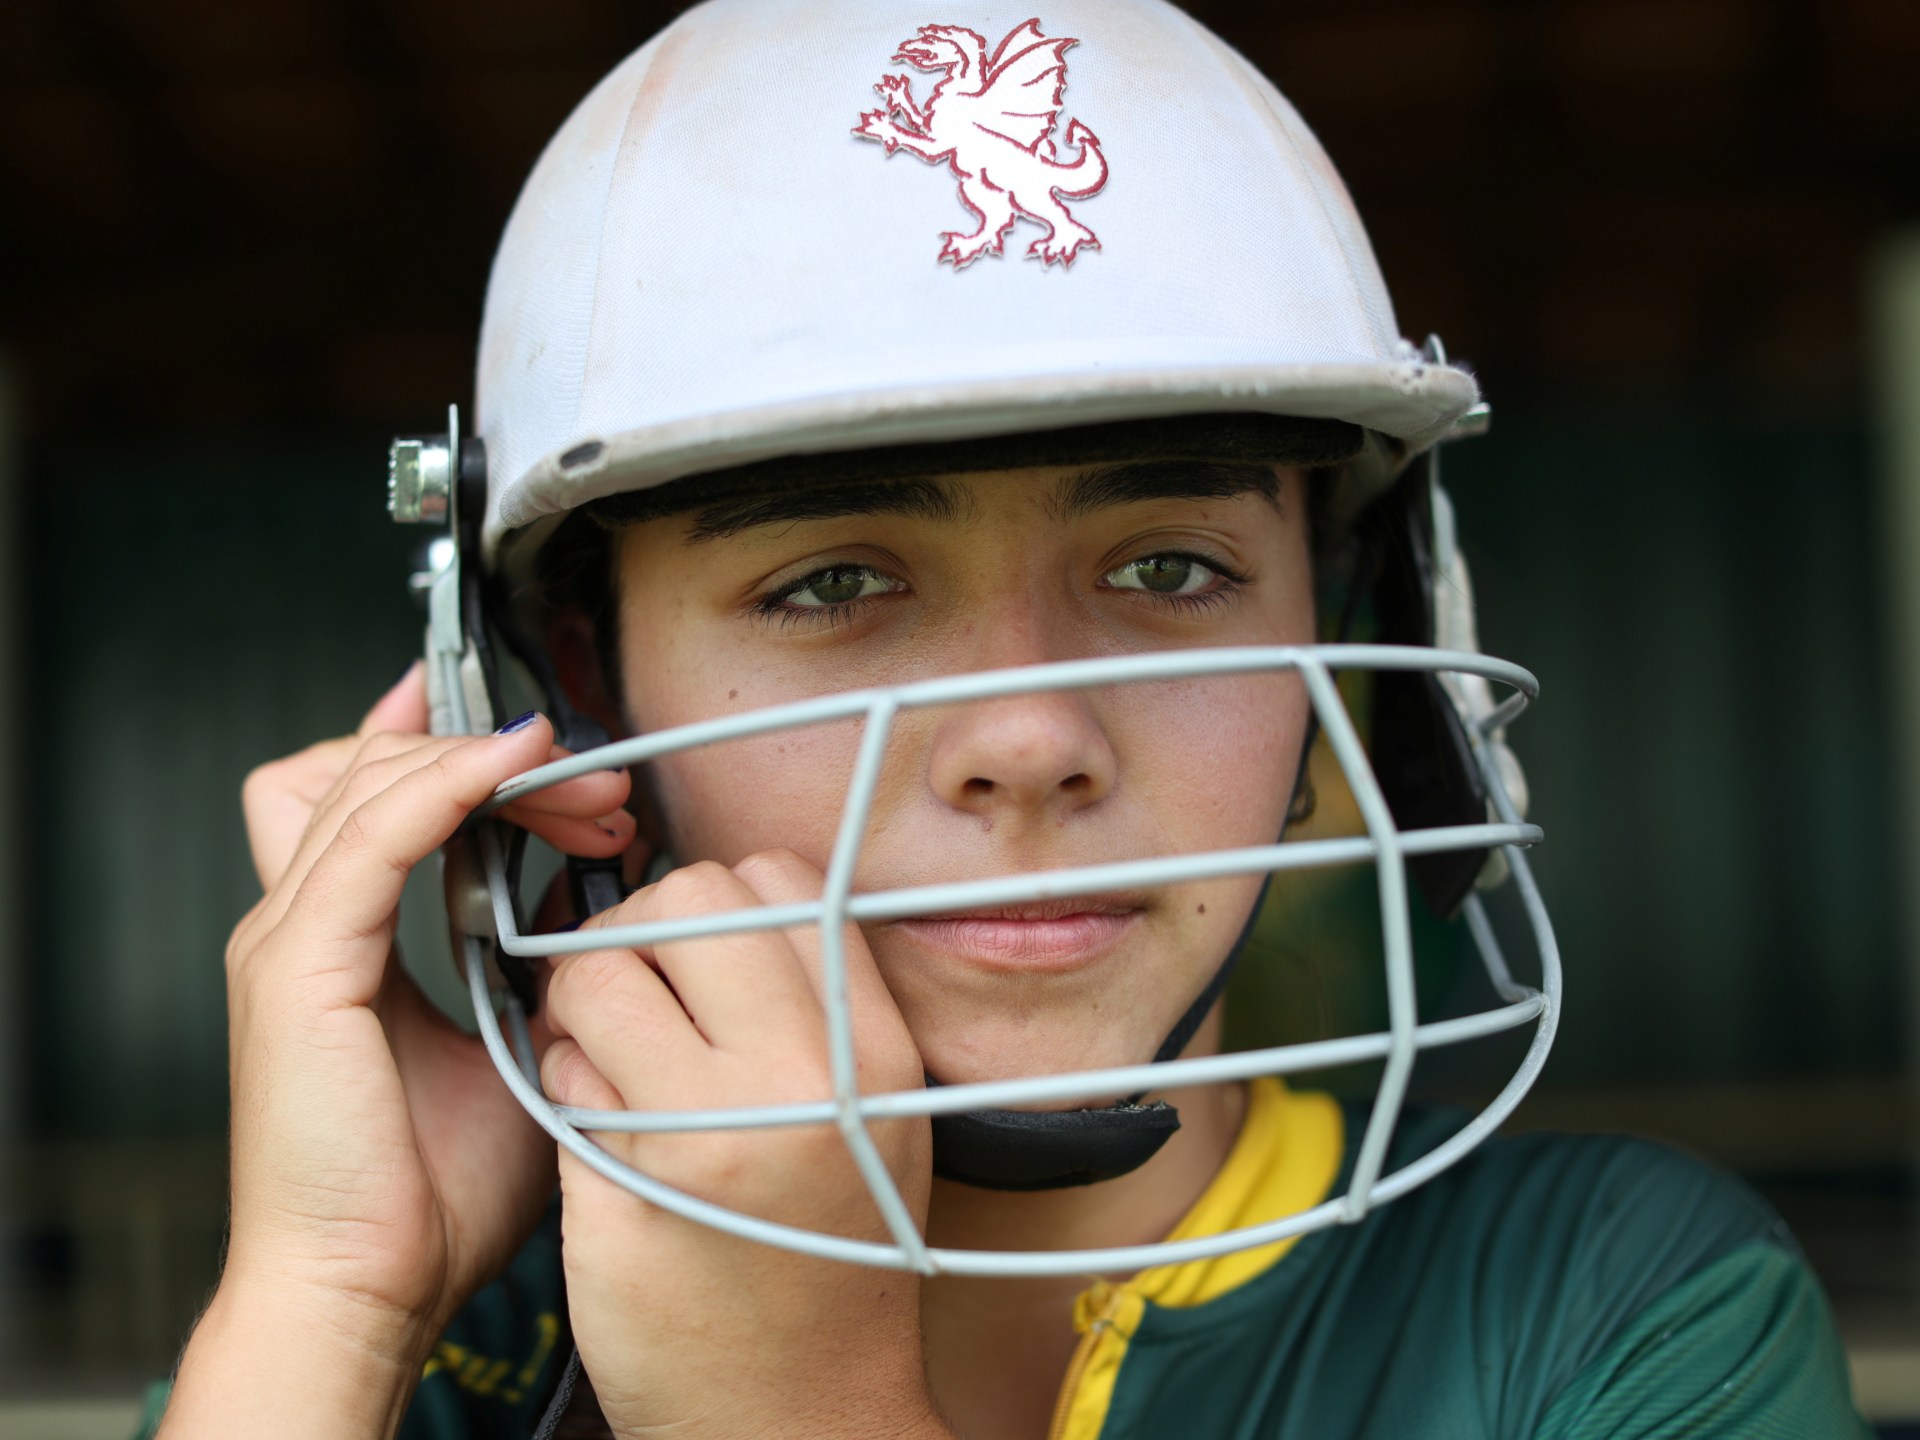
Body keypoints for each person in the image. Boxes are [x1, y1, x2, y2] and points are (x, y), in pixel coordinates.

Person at [142, 1, 1872, 1436]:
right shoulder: (434, 1340)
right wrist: (331, 1304)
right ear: (579, 689)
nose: (1032, 736)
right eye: (831, 583)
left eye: (1174, 568)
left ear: (1341, 631)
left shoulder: (1606, 1307)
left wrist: (792, 1408)